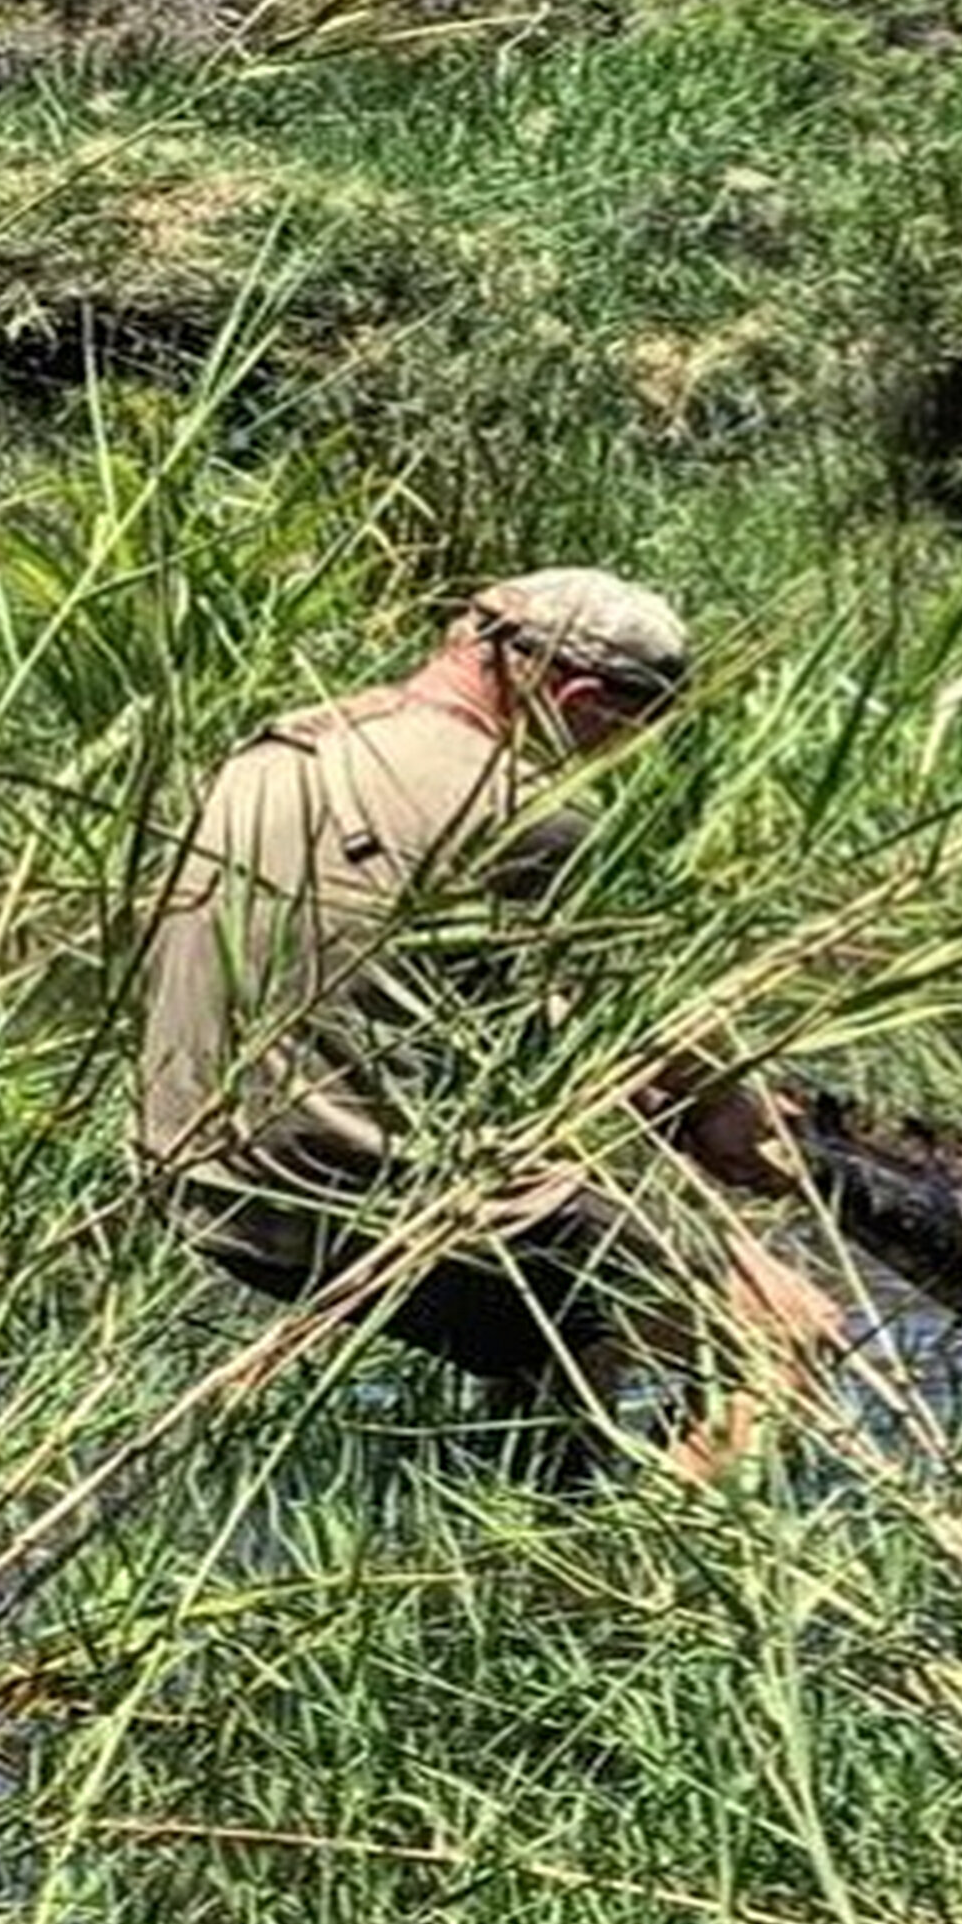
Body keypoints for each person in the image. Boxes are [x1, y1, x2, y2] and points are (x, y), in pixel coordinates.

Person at [137, 567, 840, 1482]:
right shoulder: (525, 811)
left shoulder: (276, 747)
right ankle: (624, 1599)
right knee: (784, 1333)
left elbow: (404, 975)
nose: (622, 756)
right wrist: (733, 1115)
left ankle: (537, 1531)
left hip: (201, 1179)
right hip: (360, 1201)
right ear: (581, 698)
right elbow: (659, 1031)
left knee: (572, 1321)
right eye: (637, 730)